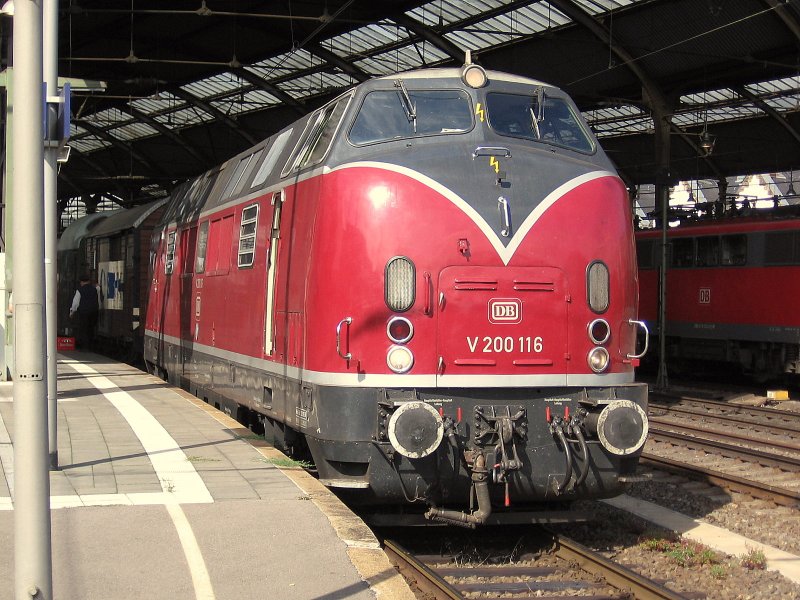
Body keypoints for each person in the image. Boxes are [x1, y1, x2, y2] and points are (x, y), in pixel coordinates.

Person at [69, 274, 100, 351]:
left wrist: (72, 312)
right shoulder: (94, 289)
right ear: (89, 281)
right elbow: (98, 298)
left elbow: (75, 303)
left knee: (83, 329)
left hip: (84, 312)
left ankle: (85, 347)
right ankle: (91, 346)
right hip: (94, 312)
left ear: (81, 282)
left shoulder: (79, 290)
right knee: (91, 328)